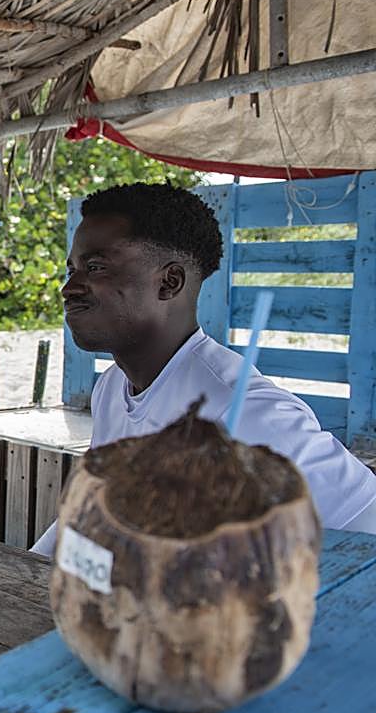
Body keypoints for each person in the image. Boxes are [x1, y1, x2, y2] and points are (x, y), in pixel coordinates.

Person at [32, 182, 376, 557]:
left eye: (94, 267)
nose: (69, 287)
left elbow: (361, 523)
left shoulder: (239, 411)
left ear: (169, 282)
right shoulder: (113, 388)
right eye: (73, 269)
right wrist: (24, 574)